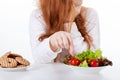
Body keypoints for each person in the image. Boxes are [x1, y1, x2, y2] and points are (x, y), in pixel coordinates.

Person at [29, 0, 100, 64]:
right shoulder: (38, 16)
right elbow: (38, 59)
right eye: (73, 6)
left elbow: (93, 58)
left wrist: (68, 23)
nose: (77, 11)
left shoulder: (90, 14)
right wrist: (52, 43)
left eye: (79, 5)